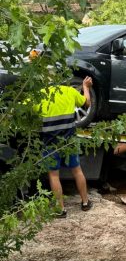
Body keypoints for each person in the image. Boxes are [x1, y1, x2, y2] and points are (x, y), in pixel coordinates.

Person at [37, 76, 94, 218]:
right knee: (77, 171)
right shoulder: (69, 91)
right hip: (68, 142)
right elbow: (87, 103)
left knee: (54, 175)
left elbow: (25, 110)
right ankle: (85, 203)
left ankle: (61, 210)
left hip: (50, 144)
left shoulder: (41, 95)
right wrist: (85, 87)